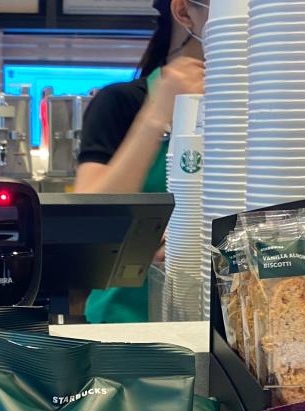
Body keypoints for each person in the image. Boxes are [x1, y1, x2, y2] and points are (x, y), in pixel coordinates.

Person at [75, 0, 208, 324]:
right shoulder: (120, 103)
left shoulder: (251, 110)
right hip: (128, 328)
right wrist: (156, 114)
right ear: (184, 12)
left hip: (224, 328)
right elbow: (88, 224)